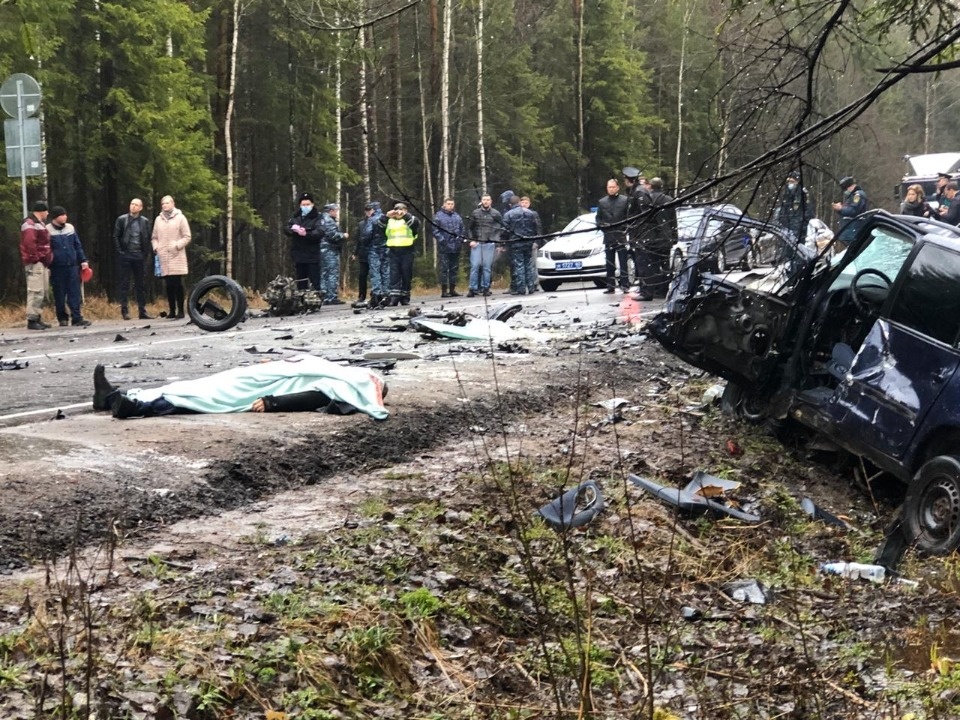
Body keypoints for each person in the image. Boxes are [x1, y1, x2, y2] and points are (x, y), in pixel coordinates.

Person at [92, 355, 388, 421]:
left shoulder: (344, 385)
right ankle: (111, 398)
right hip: (259, 376)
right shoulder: (338, 371)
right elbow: (301, 364)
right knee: (199, 386)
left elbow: (314, 398)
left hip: (264, 388)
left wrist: (273, 403)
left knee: (207, 397)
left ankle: (137, 407)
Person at [46, 206, 92, 327]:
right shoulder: (48, 230)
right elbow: (46, 249)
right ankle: (62, 318)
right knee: (59, 294)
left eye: (65, 214)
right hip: (57, 267)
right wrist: (48, 265)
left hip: (72, 265)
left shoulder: (70, 228)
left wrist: (83, 260)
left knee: (74, 292)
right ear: (55, 217)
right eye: (62, 215)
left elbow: (77, 245)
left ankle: (77, 317)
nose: (65, 217)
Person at [152, 195, 191, 319]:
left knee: (178, 283)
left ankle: (181, 310)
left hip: (176, 255)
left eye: (167, 203)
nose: (165, 205)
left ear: (173, 204)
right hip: (163, 256)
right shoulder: (158, 219)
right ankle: (172, 310)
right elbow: (154, 237)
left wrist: (177, 245)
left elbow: (187, 236)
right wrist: (156, 247)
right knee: (168, 285)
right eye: (163, 203)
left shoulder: (180, 218)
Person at [114, 198, 153, 320]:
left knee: (140, 284)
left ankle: (142, 311)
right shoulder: (122, 219)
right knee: (124, 283)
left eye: (136, 205)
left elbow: (148, 238)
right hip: (126, 254)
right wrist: (120, 252)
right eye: (132, 204)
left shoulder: (144, 221)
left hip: (139, 255)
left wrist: (145, 253)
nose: (133, 206)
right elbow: (116, 236)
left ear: (141, 208)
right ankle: (124, 311)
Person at [377, 202, 421, 306]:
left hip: (407, 249)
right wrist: (386, 216)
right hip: (393, 250)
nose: (399, 212)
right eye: (397, 209)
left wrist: (405, 215)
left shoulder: (410, 219)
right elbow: (379, 226)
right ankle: (394, 297)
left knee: (406, 274)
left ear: (406, 210)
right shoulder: (390, 220)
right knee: (394, 274)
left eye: (402, 209)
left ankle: (405, 297)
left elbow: (415, 224)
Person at [20, 200, 53, 330]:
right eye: (46, 211)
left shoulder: (39, 224)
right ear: (41, 211)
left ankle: (38, 317)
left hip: (42, 262)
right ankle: (32, 319)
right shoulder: (30, 224)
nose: (47, 213)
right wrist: (35, 258)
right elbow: (29, 243)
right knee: (35, 290)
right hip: (35, 263)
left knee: (42, 291)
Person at [284, 192, 325, 292]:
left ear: (312, 204)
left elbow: (320, 232)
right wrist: (292, 230)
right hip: (298, 254)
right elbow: (286, 228)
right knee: (300, 281)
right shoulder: (295, 216)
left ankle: (316, 298)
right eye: (303, 204)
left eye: (307, 204)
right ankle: (301, 299)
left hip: (312, 255)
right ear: (300, 205)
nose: (305, 206)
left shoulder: (318, 217)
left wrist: (306, 233)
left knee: (315, 281)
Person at [596, 179, 631, 293]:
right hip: (608, 235)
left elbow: (628, 216)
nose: (611, 189)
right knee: (609, 262)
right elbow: (598, 218)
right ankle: (610, 285)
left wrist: (625, 229)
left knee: (623, 261)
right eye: (609, 187)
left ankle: (625, 284)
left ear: (617, 188)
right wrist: (602, 226)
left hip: (621, 235)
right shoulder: (602, 202)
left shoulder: (624, 200)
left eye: (612, 187)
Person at [501, 195, 540, 294]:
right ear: (519, 202)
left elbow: (504, 230)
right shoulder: (530, 213)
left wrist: (503, 242)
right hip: (528, 241)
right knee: (528, 264)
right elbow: (535, 228)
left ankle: (521, 288)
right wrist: (533, 239)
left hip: (516, 242)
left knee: (519, 265)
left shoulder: (508, 214)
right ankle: (531, 286)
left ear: (510, 204)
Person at [622, 166, 652, 289]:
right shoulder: (634, 192)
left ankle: (646, 290)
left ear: (629, 180)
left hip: (641, 233)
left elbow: (645, 214)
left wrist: (639, 230)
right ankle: (643, 288)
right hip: (636, 233)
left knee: (643, 262)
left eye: (625, 179)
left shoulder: (639, 193)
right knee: (640, 261)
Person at [467, 194, 501, 297]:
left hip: (489, 244)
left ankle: (486, 288)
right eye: (484, 200)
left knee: (487, 267)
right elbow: (470, 228)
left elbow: (500, 229)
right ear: (481, 201)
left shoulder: (496, 214)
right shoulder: (475, 213)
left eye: (487, 200)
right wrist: (472, 240)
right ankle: (472, 288)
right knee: (475, 266)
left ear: (491, 201)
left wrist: (497, 242)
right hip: (477, 243)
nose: (486, 201)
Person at [433, 197, 465, 297]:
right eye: (448, 204)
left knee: (454, 268)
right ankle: (444, 290)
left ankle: (452, 289)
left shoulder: (457, 216)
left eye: (452, 204)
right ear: (444, 205)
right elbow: (435, 230)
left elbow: (462, 229)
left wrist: (460, 240)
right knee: (444, 269)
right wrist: (442, 241)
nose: (450, 206)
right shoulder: (438, 216)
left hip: (456, 246)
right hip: (444, 247)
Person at [359, 201, 389, 308]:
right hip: (386, 248)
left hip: (374, 249)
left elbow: (366, 234)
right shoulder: (386, 218)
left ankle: (377, 294)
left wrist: (365, 242)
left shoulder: (372, 220)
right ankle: (386, 294)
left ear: (373, 209)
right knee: (385, 271)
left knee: (375, 271)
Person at [319, 203, 348, 305]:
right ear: (331, 211)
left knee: (324, 273)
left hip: (323, 249)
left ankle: (323, 295)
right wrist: (343, 235)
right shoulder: (329, 221)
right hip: (330, 249)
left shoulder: (321, 219)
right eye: (336, 211)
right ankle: (331, 296)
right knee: (332, 273)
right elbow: (332, 235)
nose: (336, 213)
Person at [774, 171, 813, 244]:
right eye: (788, 181)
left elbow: (808, 212)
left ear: (797, 182)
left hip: (798, 229)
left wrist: (801, 226)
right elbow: (783, 209)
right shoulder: (786, 194)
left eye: (792, 181)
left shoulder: (802, 194)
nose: (790, 184)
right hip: (786, 229)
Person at [519, 196, 542, 292]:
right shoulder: (517, 214)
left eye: (526, 203)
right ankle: (523, 283)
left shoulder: (533, 214)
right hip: (521, 242)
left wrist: (536, 241)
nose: (524, 204)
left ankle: (535, 283)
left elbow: (538, 228)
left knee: (533, 263)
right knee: (522, 264)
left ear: (529, 204)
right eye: (522, 202)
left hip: (532, 241)